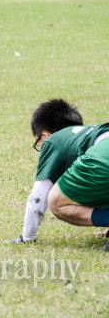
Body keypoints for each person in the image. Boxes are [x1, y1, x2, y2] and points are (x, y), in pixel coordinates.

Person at [12, 99, 109, 243]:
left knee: (56, 201)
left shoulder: (53, 140)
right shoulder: (89, 133)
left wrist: (27, 237)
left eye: (38, 143)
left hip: (104, 157)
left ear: (44, 136)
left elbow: (38, 197)